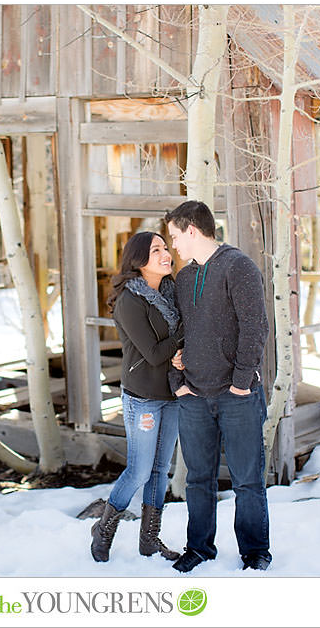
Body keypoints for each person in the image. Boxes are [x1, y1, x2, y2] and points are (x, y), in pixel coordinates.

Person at [163, 200, 272, 573]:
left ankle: (255, 552)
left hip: (236, 397)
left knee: (247, 481)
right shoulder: (185, 278)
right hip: (194, 396)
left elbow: (255, 328)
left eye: (175, 236)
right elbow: (178, 335)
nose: (173, 245)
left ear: (192, 230)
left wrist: (242, 383)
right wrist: (178, 379)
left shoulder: (238, 267)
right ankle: (198, 548)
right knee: (197, 480)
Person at [90, 231, 183, 563]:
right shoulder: (130, 301)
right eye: (156, 249)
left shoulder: (171, 292)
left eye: (165, 247)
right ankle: (103, 531)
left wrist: (181, 353)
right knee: (140, 470)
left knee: (161, 470)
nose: (165, 253)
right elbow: (155, 353)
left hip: (171, 394)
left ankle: (149, 540)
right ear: (139, 260)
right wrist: (180, 342)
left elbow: (172, 347)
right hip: (143, 397)